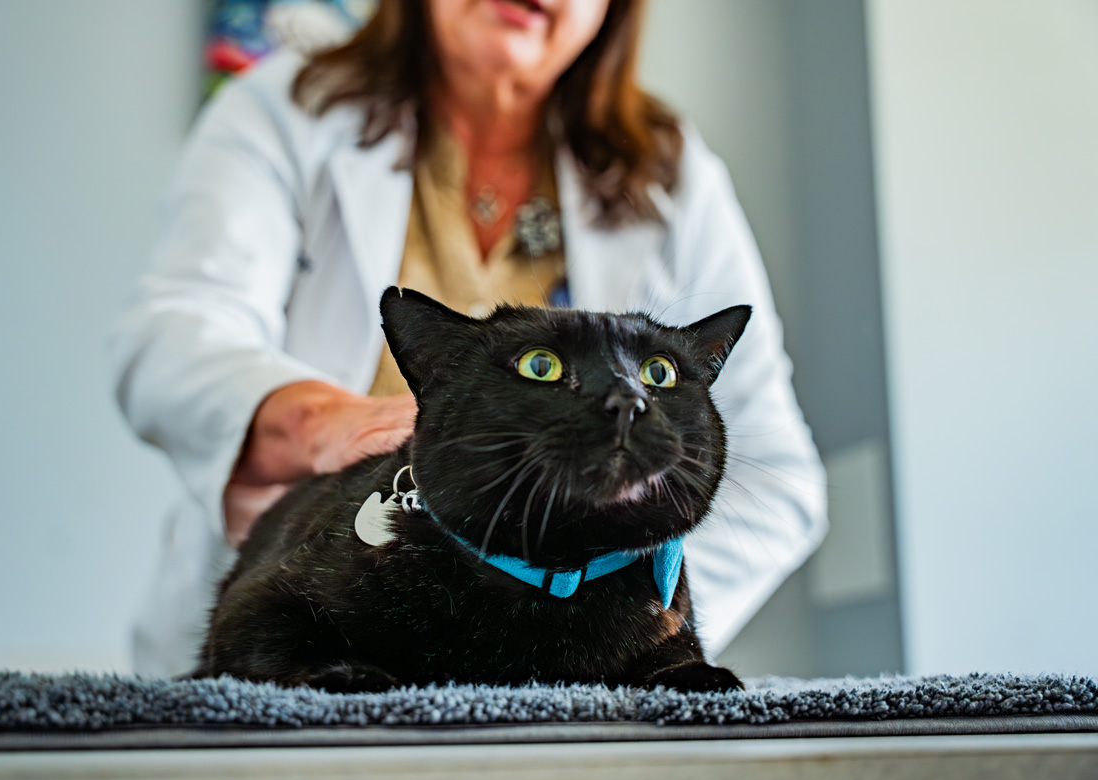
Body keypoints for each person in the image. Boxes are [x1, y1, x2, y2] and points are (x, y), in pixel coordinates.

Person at [111, 0, 828, 679]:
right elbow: (175, 337)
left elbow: (782, 488)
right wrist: (321, 425)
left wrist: (607, 634)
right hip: (314, 641)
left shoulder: (673, 173)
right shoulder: (286, 110)